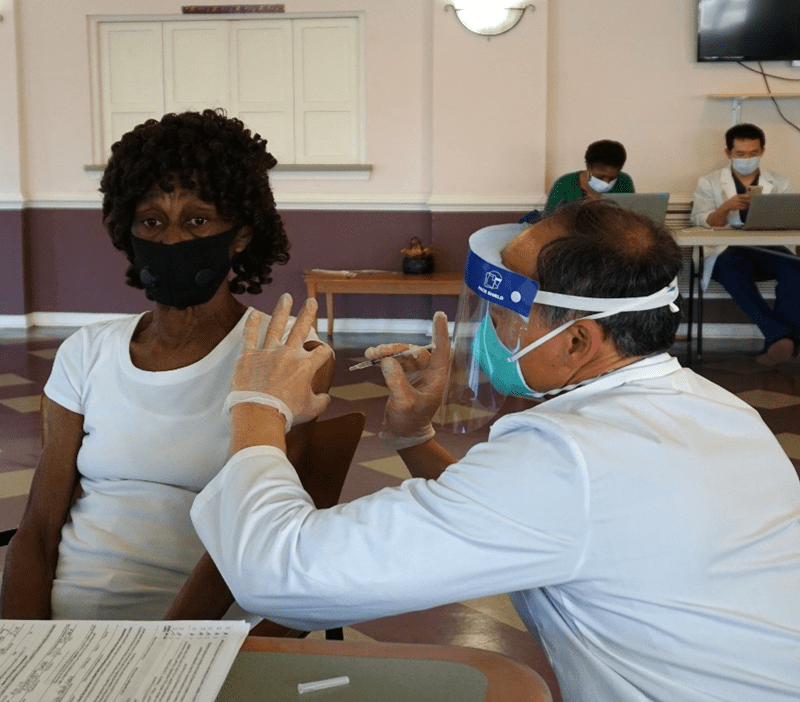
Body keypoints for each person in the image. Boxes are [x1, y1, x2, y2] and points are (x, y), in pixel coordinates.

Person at [191, 200, 800, 702]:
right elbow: (525, 521)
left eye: (506, 313)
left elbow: (281, 574)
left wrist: (258, 404)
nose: (487, 328)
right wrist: (413, 437)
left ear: (579, 338)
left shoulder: (570, 457)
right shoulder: (716, 408)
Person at [0, 109, 332, 621]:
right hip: (69, 621)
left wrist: (163, 649)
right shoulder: (86, 353)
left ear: (239, 235)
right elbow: (39, 530)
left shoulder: (283, 355)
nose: (171, 241)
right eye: (151, 222)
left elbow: (262, 536)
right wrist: (24, 648)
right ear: (127, 230)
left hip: (200, 630)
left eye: (196, 220)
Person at [690, 122, 800, 365]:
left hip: (766, 247)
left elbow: (789, 221)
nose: (747, 158)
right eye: (740, 154)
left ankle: (778, 340)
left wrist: (768, 214)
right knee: (731, 270)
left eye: (753, 153)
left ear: (762, 151)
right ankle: (780, 336)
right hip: (728, 250)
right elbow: (702, 221)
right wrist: (726, 207)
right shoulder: (709, 182)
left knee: (795, 268)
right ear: (728, 153)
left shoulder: (779, 183)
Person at [544, 139, 634, 215]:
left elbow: (630, 218)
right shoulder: (565, 183)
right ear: (588, 167)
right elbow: (548, 222)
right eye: (600, 177)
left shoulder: (624, 181)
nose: (606, 182)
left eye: (612, 178)